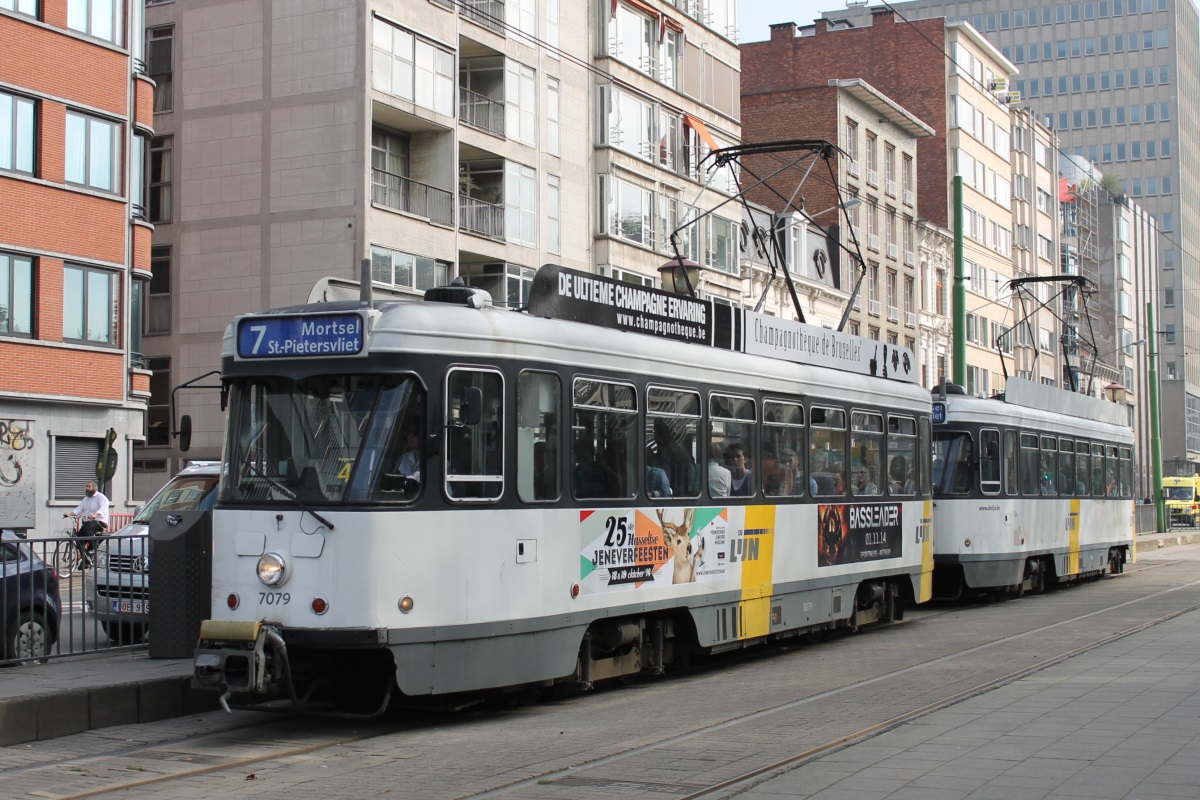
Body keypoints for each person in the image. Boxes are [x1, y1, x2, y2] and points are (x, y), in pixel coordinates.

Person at [64, 480, 109, 560]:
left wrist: (95, 514)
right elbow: (79, 508)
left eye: (89, 486)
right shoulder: (86, 498)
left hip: (99, 521)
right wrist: (70, 514)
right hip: (88, 522)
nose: (87, 488)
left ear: (94, 487)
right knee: (78, 538)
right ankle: (86, 559)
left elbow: (104, 507)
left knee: (87, 528)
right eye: (86, 486)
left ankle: (93, 549)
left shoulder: (100, 497)